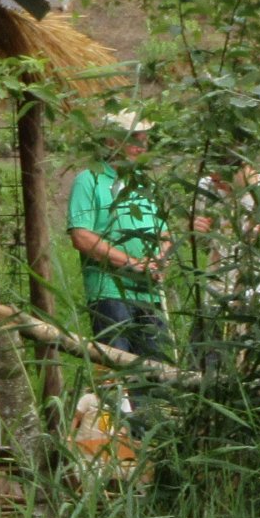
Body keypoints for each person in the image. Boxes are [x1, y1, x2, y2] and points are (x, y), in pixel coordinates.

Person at [69, 109, 171, 366]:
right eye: (133, 139)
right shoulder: (89, 180)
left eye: (144, 139)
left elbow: (165, 233)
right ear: (111, 141)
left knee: (156, 370)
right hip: (110, 291)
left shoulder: (145, 183)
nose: (141, 146)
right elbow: (81, 236)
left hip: (149, 292)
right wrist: (132, 264)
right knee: (117, 366)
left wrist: (160, 259)